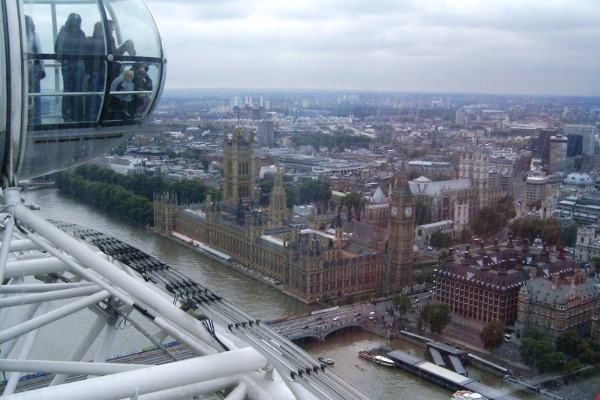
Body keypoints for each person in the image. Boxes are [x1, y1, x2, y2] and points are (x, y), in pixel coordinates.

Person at [55, 13, 87, 122]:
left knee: (68, 89)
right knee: (76, 90)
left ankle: (68, 116)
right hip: (77, 64)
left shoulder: (63, 33)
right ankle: (76, 116)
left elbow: (58, 50)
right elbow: (84, 50)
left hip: (68, 64)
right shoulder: (80, 34)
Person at [25, 15, 45, 124]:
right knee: (36, 95)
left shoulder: (17, 36)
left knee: (23, 95)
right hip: (33, 70)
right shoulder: (33, 35)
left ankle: (24, 119)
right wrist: (43, 69)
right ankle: (37, 120)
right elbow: (40, 53)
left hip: (21, 71)